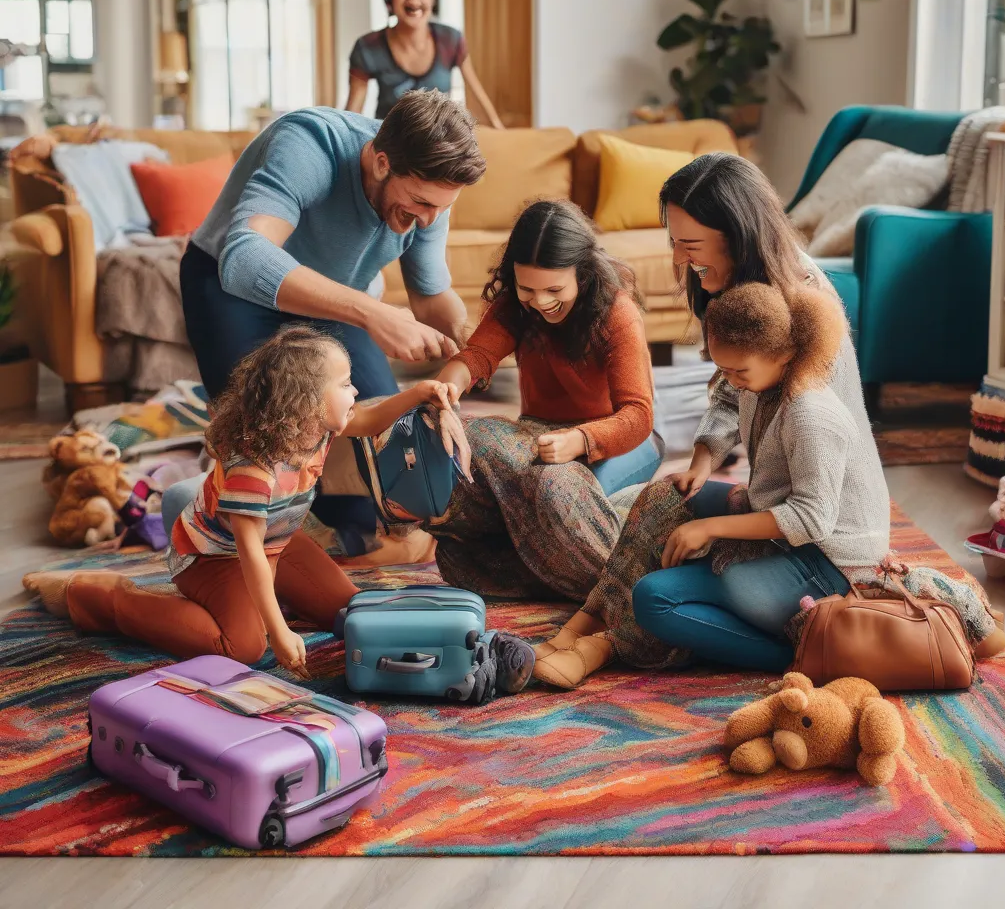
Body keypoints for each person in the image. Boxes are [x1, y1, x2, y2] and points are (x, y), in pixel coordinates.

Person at [21, 326, 542, 697]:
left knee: (350, 611)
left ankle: (269, 613)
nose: (354, 390)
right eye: (343, 384)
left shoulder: (316, 426)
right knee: (241, 646)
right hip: (213, 558)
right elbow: (246, 553)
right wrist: (274, 628)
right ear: (306, 401)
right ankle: (104, 598)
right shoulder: (257, 467)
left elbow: (364, 418)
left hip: (279, 544)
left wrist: (418, 392)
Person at [528, 284, 1005, 689]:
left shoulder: (810, 413)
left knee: (657, 597)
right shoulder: (761, 382)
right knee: (666, 498)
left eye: (740, 373)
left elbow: (813, 518)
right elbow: (728, 407)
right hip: (784, 526)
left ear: (784, 354)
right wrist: (703, 462)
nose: (732, 383)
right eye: (725, 371)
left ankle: (797, 652)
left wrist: (712, 529)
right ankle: (592, 618)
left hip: (830, 560)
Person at [177, 88, 485, 552]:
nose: (429, 221)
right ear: (382, 162)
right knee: (268, 450)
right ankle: (208, 489)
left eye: (442, 208)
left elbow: (430, 296)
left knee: (372, 487)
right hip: (230, 290)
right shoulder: (311, 143)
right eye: (421, 203)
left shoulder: (430, 198)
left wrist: (477, 343)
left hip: (338, 301)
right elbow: (245, 258)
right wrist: (373, 313)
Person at [426, 199, 661, 602]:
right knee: (467, 450)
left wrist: (578, 441)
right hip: (539, 438)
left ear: (583, 274)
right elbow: (478, 356)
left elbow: (637, 416)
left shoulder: (616, 313)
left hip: (616, 443)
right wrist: (444, 391)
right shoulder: (514, 308)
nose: (541, 301)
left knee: (550, 490)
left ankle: (626, 594)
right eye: (527, 289)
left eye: (555, 289)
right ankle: (555, 564)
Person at [345, 0, 503, 128]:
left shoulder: (450, 39)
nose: (414, 1)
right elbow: (353, 112)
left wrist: (499, 129)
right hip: (391, 143)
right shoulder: (368, 46)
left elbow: (475, 90)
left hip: (441, 142)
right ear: (389, 1)